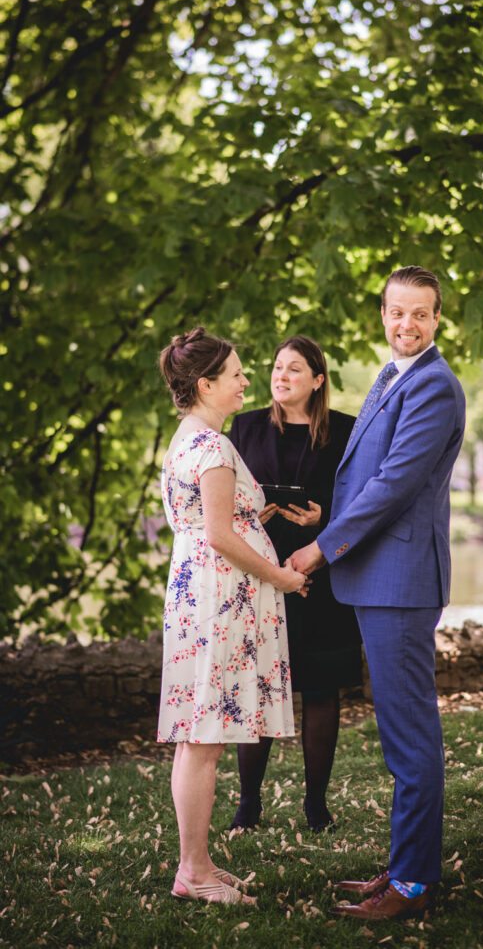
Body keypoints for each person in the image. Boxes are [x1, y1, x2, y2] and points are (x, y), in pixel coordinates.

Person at [290, 266, 466, 920]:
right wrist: (323, 521)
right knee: (399, 735)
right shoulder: (394, 374)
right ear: (383, 313)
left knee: (410, 736)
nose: (407, 324)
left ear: (438, 319)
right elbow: (361, 470)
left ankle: (413, 883)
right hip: (378, 579)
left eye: (420, 314)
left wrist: (321, 546)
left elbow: (391, 485)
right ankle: (401, 866)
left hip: (401, 581)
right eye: (397, 312)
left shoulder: (434, 387)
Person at [157, 327, 306, 906]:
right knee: (202, 737)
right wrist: (284, 578)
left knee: (200, 736)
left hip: (200, 594)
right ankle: (192, 870)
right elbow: (218, 536)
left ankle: (200, 862)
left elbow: (210, 523)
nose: (248, 381)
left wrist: (252, 518)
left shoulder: (188, 438)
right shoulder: (214, 447)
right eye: (237, 373)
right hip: (218, 599)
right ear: (205, 384)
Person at [228, 336, 361, 832]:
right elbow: (225, 501)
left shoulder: (347, 431)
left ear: (317, 381)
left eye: (294, 369)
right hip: (261, 574)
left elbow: (361, 502)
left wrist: (325, 518)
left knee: (322, 691)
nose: (281, 376)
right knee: (257, 688)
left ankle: (316, 806)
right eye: (277, 367)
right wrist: (250, 515)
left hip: (320, 575)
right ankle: (248, 806)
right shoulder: (244, 427)